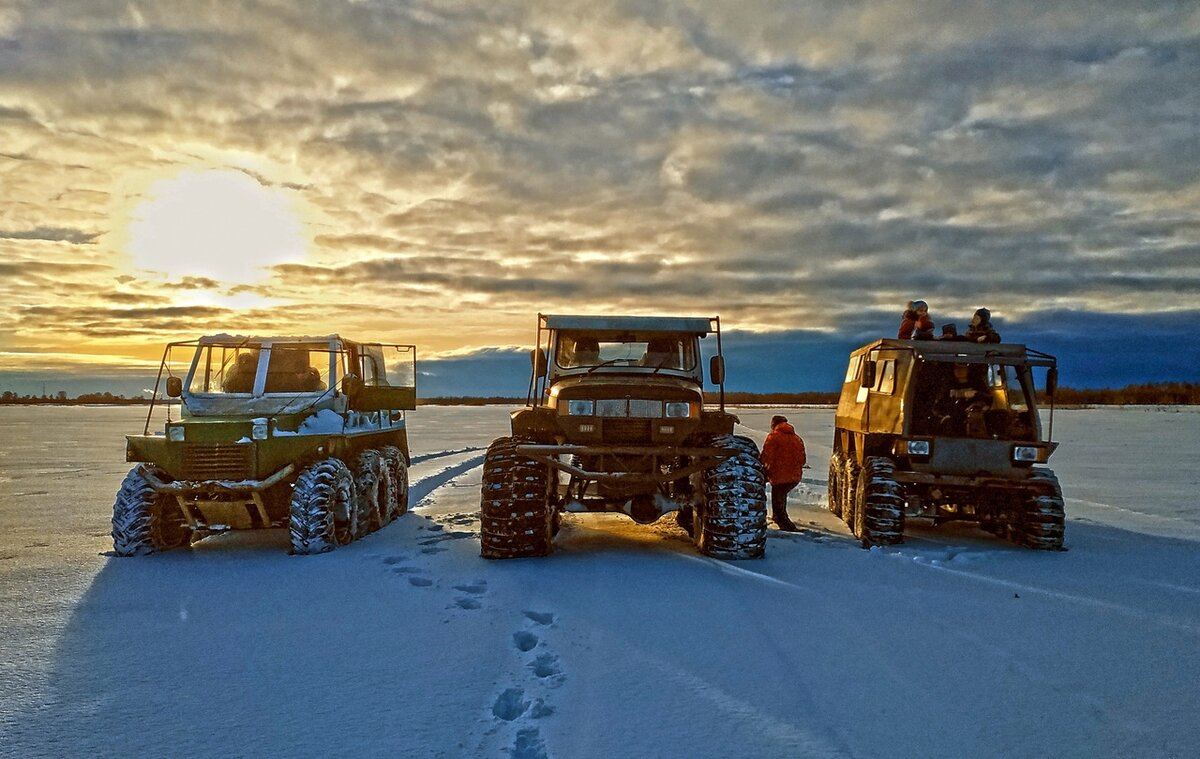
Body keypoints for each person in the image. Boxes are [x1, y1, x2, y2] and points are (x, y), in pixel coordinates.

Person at [759, 415, 806, 532]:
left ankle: (785, 525)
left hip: (780, 475)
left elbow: (766, 457)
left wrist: (763, 468)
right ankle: (778, 516)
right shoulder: (797, 438)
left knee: (778, 496)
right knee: (781, 495)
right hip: (795, 476)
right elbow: (803, 459)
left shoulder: (773, 437)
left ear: (774, 424)